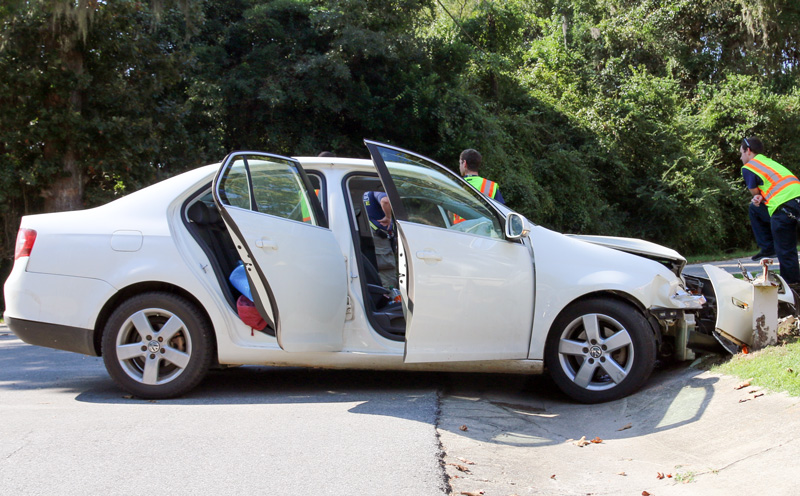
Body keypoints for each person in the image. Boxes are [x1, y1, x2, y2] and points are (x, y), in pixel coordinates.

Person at [740, 136, 800, 286]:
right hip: (796, 200)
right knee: (788, 249)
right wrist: (761, 197)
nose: (741, 158)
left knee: (785, 250)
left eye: (741, 153)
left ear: (748, 151)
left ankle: (792, 286)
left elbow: (755, 194)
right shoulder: (769, 162)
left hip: (783, 206)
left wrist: (758, 197)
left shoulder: (749, 167)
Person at [362, 190, 397, 288]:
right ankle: (389, 294)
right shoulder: (374, 191)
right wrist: (388, 217)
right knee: (386, 270)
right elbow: (385, 201)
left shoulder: (359, 192)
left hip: (366, 236)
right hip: (379, 237)